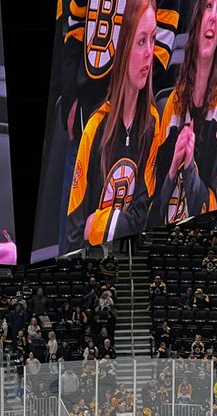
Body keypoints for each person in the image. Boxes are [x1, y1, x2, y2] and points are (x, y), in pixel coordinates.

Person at [64, 0, 161, 253]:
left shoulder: (152, 123)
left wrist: (104, 225)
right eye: (141, 42)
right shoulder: (96, 127)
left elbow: (144, 210)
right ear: (123, 44)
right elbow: (75, 226)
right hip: (90, 103)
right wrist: (70, 93)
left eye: (152, 39)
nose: (149, 52)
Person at [151, 0, 217, 225]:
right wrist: (172, 169)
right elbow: (152, 206)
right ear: (195, 22)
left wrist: (188, 168)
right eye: (207, 7)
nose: (213, 17)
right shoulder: (174, 101)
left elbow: (211, 201)